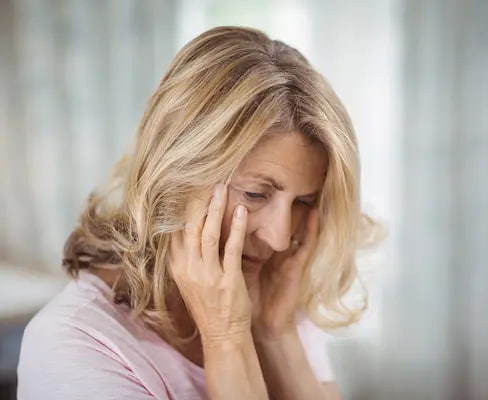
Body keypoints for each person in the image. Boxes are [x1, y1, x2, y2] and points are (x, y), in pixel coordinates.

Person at [17, 26, 379, 399]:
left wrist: (277, 333)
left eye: (304, 201)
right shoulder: (76, 344)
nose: (280, 237)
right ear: (178, 175)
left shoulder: (274, 298)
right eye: (256, 194)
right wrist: (226, 337)